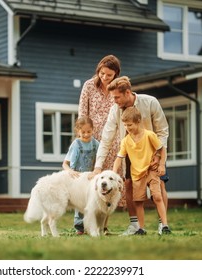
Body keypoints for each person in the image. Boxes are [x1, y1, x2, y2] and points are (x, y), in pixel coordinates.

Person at [91, 76, 170, 236]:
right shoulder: (115, 110)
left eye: (116, 97)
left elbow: (163, 131)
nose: (114, 101)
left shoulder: (150, 102)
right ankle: (136, 226)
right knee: (128, 185)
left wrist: (158, 156)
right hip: (131, 151)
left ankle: (163, 224)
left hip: (153, 149)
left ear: (127, 92)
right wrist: (98, 166)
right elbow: (106, 138)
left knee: (159, 187)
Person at [78, 54, 123, 234]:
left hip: (113, 142)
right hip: (91, 140)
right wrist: (82, 138)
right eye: (102, 73)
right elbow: (82, 113)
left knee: (109, 185)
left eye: (109, 75)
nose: (104, 77)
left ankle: (103, 227)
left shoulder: (119, 89)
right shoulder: (89, 86)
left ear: (116, 75)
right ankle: (82, 225)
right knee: (88, 182)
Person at [112, 107, 170, 235]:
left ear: (138, 121)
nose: (127, 128)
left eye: (130, 125)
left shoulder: (149, 135)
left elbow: (162, 149)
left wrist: (161, 165)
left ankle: (165, 225)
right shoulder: (126, 141)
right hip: (137, 175)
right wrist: (113, 173)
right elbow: (119, 158)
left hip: (151, 170)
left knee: (157, 196)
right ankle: (141, 228)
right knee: (138, 202)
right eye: (125, 125)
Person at [62, 116, 100, 235]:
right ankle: (80, 227)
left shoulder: (95, 143)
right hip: (77, 177)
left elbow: (100, 159)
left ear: (93, 130)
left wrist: (96, 171)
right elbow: (65, 164)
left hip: (90, 177)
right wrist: (70, 171)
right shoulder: (76, 144)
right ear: (78, 131)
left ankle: (91, 225)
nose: (86, 134)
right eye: (83, 132)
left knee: (90, 201)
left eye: (89, 131)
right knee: (79, 202)